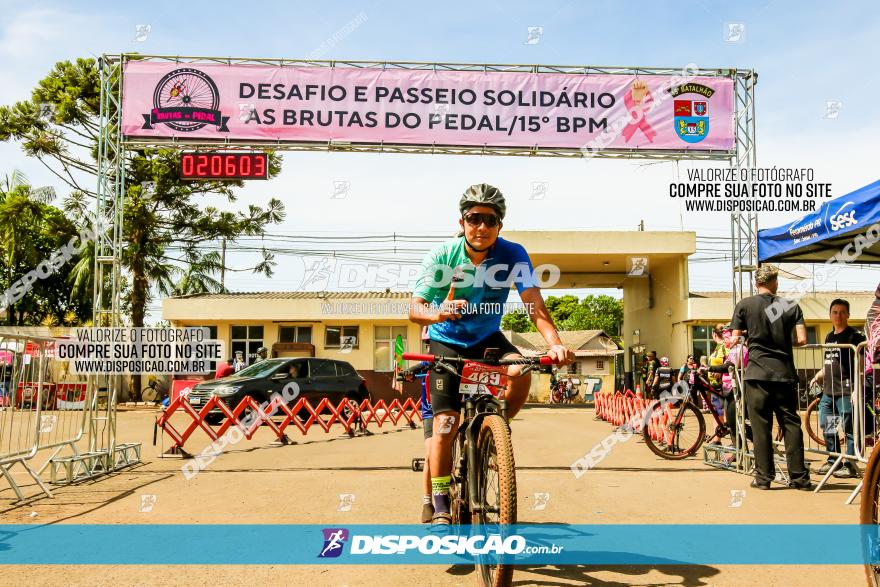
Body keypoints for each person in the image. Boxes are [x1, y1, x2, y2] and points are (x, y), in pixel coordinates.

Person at [408, 183, 575, 525]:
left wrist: (554, 343)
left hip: (487, 339)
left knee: (522, 369)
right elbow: (415, 308)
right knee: (444, 425)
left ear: (500, 225)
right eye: (474, 219)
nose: (481, 227)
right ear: (462, 222)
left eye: (490, 220)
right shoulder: (442, 255)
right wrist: (438, 312)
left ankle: (494, 432)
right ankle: (439, 502)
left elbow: (534, 305)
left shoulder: (513, 254)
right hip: (447, 341)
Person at [730, 265, 811, 490]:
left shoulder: (744, 305)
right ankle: (800, 479)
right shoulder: (790, 305)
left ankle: (764, 478)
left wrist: (749, 335)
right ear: (775, 282)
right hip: (783, 373)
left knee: (760, 426)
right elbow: (803, 339)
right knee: (791, 424)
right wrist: (785, 343)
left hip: (756, 373)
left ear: (757, 283)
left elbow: (735, 339)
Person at [809, 299, 865, 478]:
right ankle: (834, 461)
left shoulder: (855, 336)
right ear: (830, 315)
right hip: (829, 393)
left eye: (842, 312)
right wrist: (818, 375)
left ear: (848, 315)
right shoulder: (829, 337)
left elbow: (863, 365)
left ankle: (849, 463)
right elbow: (829, 362)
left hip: (847, 392)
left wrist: (858, 388)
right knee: (829, 426)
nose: (838, 316)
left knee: (850, 428)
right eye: (835, 312)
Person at [400, 361, 434, 522]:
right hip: (432, 413)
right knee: (429, 455)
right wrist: (409, 372)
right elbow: (417, 368)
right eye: (428, 343)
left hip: (459, 409)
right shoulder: (429, 361)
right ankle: (427, 502)